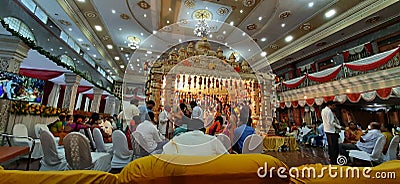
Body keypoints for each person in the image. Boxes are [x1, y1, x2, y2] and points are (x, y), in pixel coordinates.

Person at [162, 118, 227, 156]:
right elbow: (227, 158)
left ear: (187, 130)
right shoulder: (213, 141)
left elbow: (163, 156)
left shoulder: (176, 140)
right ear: (204, 130)